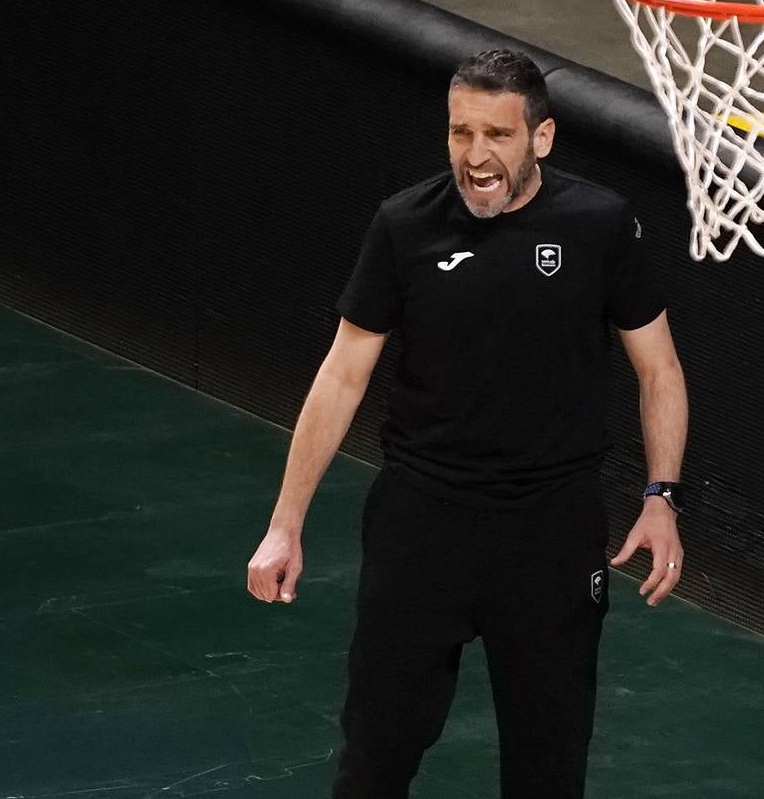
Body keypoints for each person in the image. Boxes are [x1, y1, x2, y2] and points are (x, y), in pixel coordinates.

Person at [246, 47, 689, 798]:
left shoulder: (599, 224)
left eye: (497, 135)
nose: (475, 156)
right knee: (376, 756)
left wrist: (661, 495)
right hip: (423, 525)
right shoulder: (404, 224)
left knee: (549, 767)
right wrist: (285, 523)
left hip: (551, 532)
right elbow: (342, 373)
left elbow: (660, 369)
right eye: (459, 134)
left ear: (540, 139)